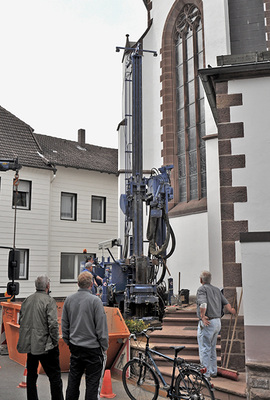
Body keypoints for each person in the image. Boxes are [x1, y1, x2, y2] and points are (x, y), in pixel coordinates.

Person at [62, 271, 108, 400]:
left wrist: (68, 341)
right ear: (92, 284)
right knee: (93, 384)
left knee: (73, 381)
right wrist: (104, 346)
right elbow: (101, 328)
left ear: (78, 284)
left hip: (75, 347)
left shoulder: (69, 300)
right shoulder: (95, 301)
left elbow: (64, 325)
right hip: (93, 349)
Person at [17, 275, 64, 400]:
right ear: (48, 286)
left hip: (31, 345)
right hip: (46, 345)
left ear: (35, 286)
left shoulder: (27, 300)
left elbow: (21, 321)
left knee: (31, 376)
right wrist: (54, 341)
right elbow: (53, 324)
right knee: (54, 377)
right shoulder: (49, 301)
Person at [196, 270, 236, 378]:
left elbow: (203, 303)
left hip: (208, 322)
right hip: (217, 322)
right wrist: (232, 310)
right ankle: (213, 371)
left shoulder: (202, 289)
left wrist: (203, 316)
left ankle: (205, 374)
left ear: (201, 280)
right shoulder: (217, 290)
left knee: (205, 348)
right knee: (212, 347)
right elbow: (226, 303)